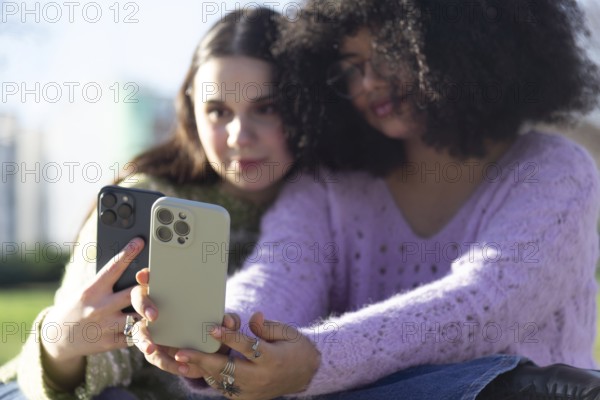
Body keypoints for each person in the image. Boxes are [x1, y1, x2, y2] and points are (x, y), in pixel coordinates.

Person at [129, 0, 600, 399]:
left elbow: (485, 306)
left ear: (466, 45)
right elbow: (276, 276)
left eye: (389, 54)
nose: (368, 82)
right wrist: (222, 339)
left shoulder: (555, 171)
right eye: (349, 69)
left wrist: (317, 361)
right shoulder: (330, 185)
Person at [0, 7, 297, 399]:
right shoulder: (149, 199)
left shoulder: (334, 202)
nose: (240, 134)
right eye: (218, 111)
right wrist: (62, 346)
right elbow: (91, 347)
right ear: (191, 111)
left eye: (266, 107)